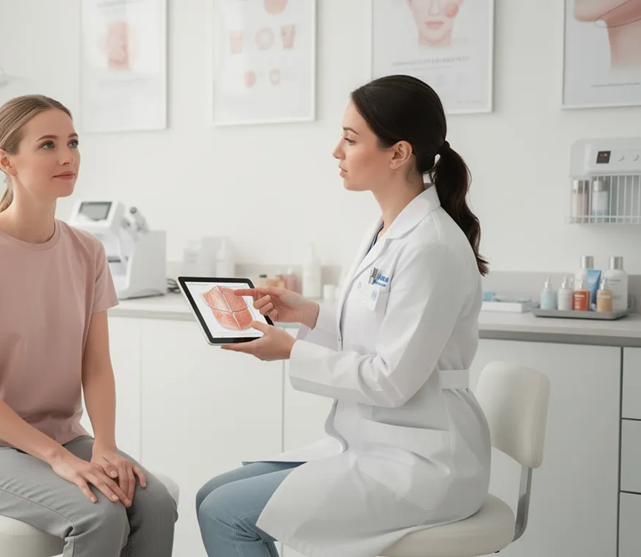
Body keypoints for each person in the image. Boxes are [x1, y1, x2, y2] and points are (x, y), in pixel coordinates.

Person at [195, 74, 492, 557]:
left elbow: (393, 379)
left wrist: (291, 351)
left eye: (351, 140)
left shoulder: (431, 247)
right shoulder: (385, 231)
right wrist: (309, 314)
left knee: (224, 513)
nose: (337, 151)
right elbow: (379, 330)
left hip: (422, 462)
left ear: (398, 153)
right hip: (373, 443)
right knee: (213, 494)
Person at [0, 94, 177, 557]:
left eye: (73, 142)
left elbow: (96, 366)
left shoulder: (88, 252)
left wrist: (105, 445)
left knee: (155, 504)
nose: (68, 157)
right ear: (7, 160)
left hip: (63, 434)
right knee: (98, 514)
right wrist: (59, 459)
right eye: (47, 145)